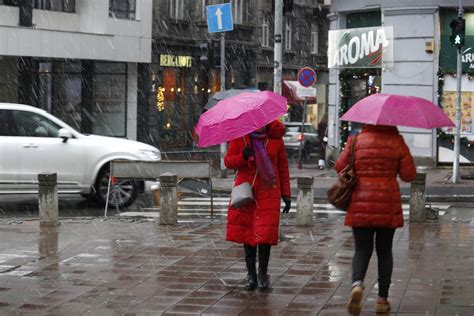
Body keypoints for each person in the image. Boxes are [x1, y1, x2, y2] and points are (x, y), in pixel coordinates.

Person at [334, 124, 416, 314]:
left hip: (360, 202)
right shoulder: (397, 141)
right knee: (385, 251)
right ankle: (382, 299)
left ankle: (357, 283)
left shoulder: (356, 140)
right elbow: (409, 175)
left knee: (362, 249)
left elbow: (340, 166)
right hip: (387, 202)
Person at [224, 119, 291, 291]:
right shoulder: (240, 137)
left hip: (269, 190)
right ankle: (251, 275)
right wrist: (243, 157)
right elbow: (228, 161)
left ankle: (262, 274)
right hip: (247, 191)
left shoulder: (275, 139)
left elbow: (282, 167)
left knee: (265, 234)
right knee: (248, 234)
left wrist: (286, 194)